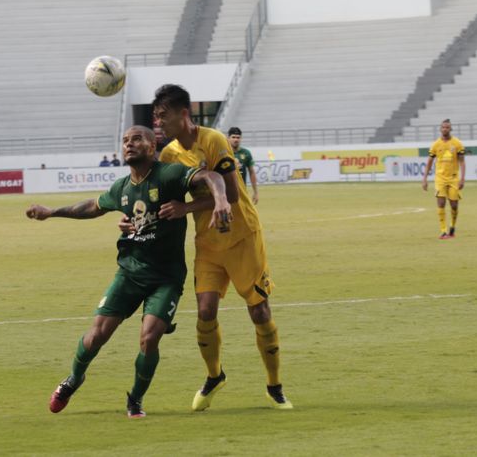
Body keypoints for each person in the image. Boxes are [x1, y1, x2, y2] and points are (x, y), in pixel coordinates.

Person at [26, 125, 231, 418]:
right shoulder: (122, 188)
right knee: (96, 336)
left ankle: (135, 398)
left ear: (152, 146)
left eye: (137, 139)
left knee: (149, 338)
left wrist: (216, 202)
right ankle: (74, 378)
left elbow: (212, 177)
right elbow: (93, 206)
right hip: (130, 272)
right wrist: (52, 212)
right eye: (125, 141)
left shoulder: (170, 174)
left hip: (166, 278)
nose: (129, 144)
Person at [149, 84, 292, 411]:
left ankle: (274, 385)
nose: (159, 122)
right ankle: (215, 376)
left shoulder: (213, 140)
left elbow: (227, 191)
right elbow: (160, 196)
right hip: (209, 243)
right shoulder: (169, 154)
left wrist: (188, 208)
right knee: (205, 311)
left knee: (259, 310)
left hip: (242, 236)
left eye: (163, 115)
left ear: (183, 114)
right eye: (155, 116)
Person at [422, 119, 465, 239]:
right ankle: (443, 231)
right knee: (441, 203)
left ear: (450, 129)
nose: (445, 129)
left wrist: (462, 179)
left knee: (454, 205)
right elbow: (429, 162)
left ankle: (452, 227)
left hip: (453, 178)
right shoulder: (436, 144)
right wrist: (424, 178)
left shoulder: (457, 144)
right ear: (440, 129)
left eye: (447, 127)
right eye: (443, 127)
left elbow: (462, 162)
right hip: (440, 178)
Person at [227, 126, 259, 205]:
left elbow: (251, 172)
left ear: (241, 139)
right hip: (226, 192)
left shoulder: (246, 153)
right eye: (233, 137)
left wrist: (255, 192)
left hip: (242, 192)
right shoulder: (224, 153)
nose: (236, 140)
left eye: (238, 137)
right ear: (228, 138)